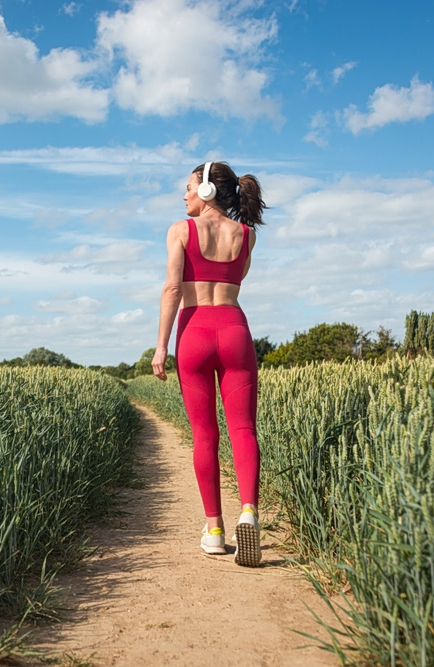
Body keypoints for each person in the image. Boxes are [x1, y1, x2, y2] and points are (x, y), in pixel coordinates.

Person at [151, 161, 266, 567]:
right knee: (243, 428)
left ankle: (214, 531)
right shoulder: (246, 236)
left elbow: (171, 288)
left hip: (195, 332)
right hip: (234, 330)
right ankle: (250, 512)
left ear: (205, 191)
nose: (183, 196)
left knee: (204, 435)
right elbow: (238, 278)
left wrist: (161, 347)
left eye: (186, 188)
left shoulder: (180, 231)